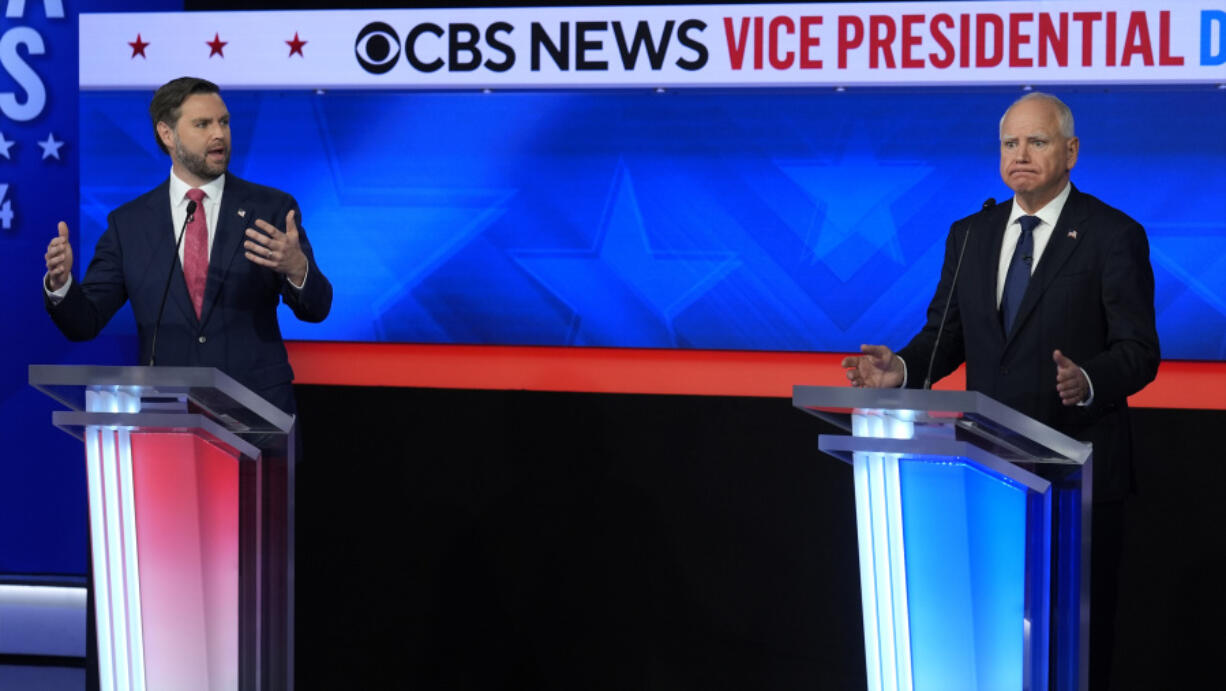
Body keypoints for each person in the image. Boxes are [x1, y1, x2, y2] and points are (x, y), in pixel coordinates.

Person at [842, 92, 1159, 689]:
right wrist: (902, 371)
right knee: (993, 646)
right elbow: (945, 336)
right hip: (986, 474)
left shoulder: (1112, 234)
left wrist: (1089, 379)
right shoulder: (972, 234)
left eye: (1036, 142)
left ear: (1071, 152)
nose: (1020, 154)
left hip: (1077, 478)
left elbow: (1140, 351)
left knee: (1073, 650)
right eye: (1010, 143)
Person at [43, 76, 331, 415]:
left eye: (224, 122)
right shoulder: (129, 225)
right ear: (167, 134)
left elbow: (317, 310)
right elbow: (84, 323)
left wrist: (298, 269)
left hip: (258, 416)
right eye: (202, 124)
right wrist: (61, 286)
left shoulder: (271, 209)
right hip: (167, 419)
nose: (219, 134)